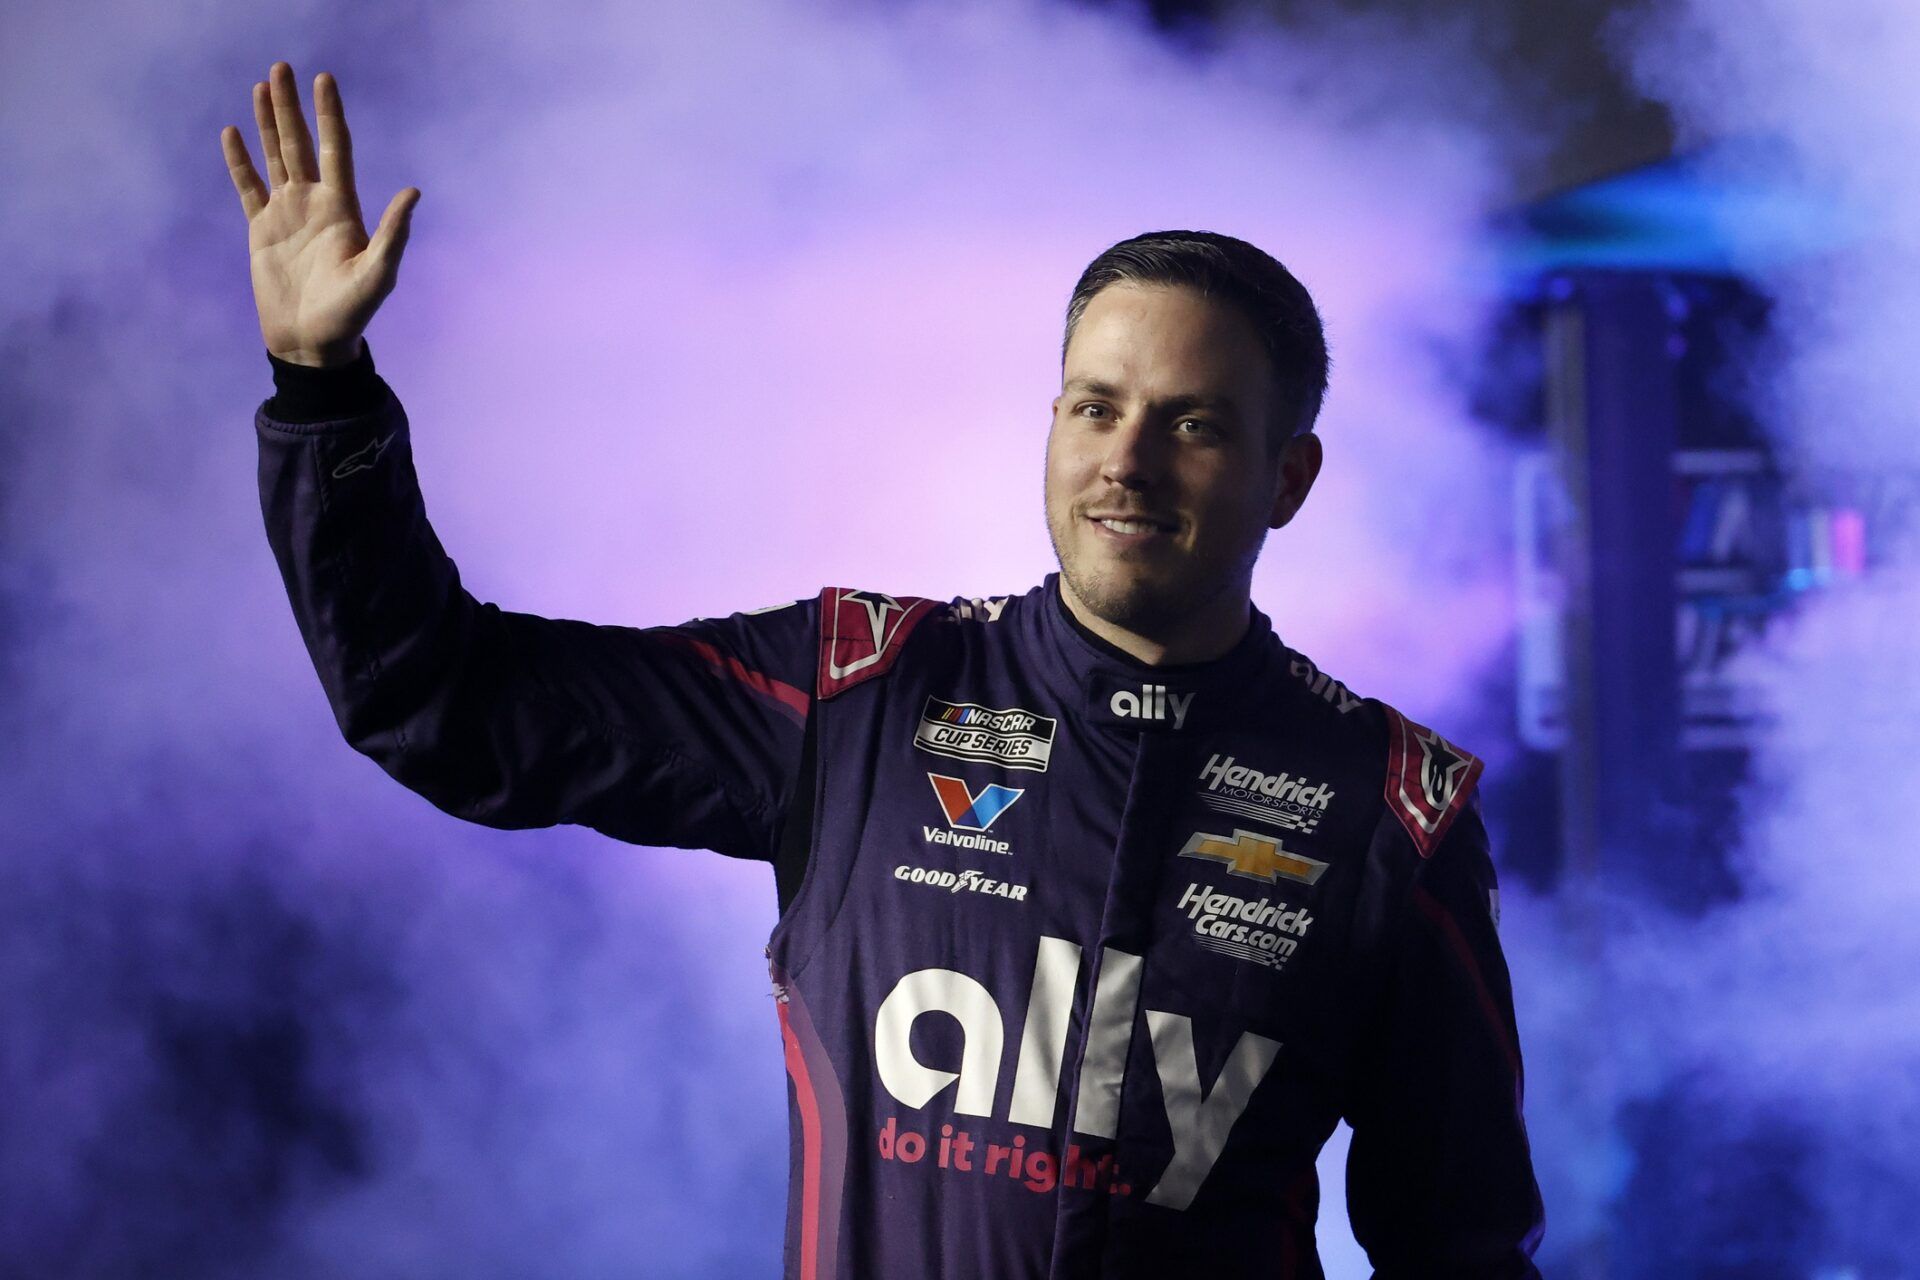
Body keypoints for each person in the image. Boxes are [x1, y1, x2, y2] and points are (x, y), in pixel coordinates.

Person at [224, 61, 1545, 1278]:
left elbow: (1466, 1250)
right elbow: (450, 707)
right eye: (1095, 407)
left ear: (1288, 479)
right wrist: (321, 389)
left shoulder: (1391, 807)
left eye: (1191, 425)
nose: (1125, 462)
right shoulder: (861, 690)